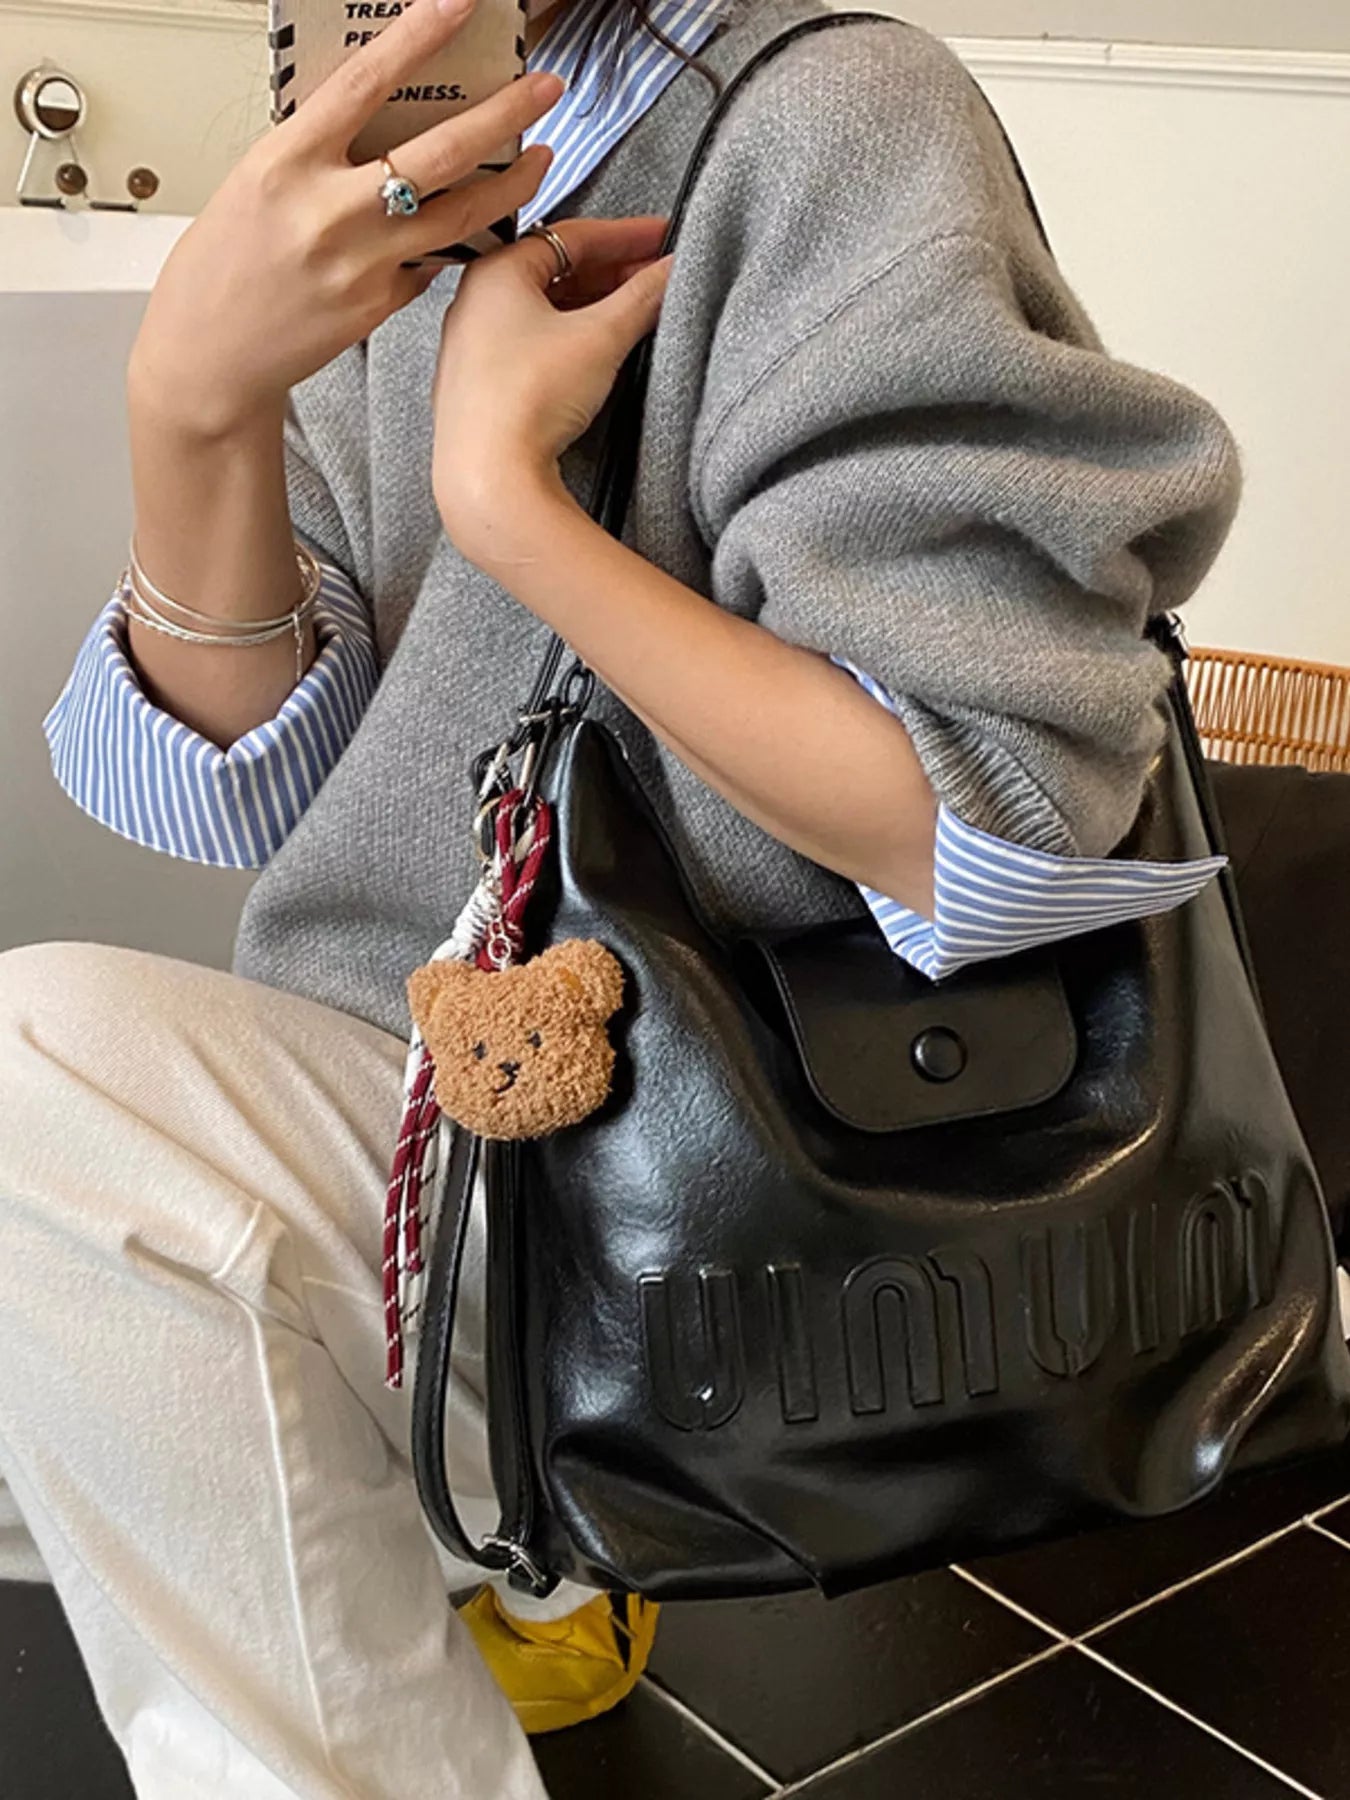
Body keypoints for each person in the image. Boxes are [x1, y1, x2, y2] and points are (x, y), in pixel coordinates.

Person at [1, 0, 1243, 1791]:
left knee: (37, 1099)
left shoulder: (827, 117)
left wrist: (512, 508)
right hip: (434, 1136)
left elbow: (989, 833)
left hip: (746, 1187)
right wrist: (192, 401)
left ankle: (494, 1532)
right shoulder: (410, 165)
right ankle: (495, 1537)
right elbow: (229, 784)